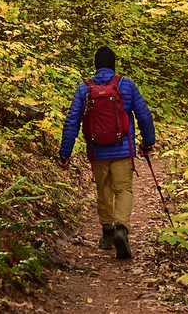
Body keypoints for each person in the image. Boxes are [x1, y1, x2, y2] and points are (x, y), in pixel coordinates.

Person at [57, 46, 155, 259]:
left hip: (97, 150)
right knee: (123, 190)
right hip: (122, 149)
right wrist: (147, 143)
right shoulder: (126, 85)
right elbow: (144, 116)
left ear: (95, 66)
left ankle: (108, 233)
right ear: (113, 64)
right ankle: (122, 229)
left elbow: (72, 121)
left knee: (103, 190)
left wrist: (65, 153)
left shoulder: (84, 89)